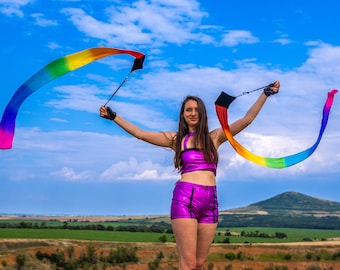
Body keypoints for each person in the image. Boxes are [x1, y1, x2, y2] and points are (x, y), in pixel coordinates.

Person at [99, 81, 280, 270]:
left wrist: (265, 94)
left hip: (210, 201)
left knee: (200, 264)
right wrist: (113, 116)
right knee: (188, 263)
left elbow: (246, 120)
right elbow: (141, 133)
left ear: (202, 113)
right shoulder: (176, 139)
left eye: (196, 109)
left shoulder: (215, 137)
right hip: (186, 198)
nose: (193, 113)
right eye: (188, 110)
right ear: (183, 115)